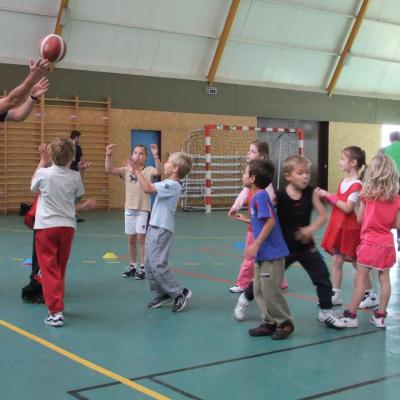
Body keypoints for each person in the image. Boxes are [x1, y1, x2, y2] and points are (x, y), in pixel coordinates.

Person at [328, 155, 400, 329]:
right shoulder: (396, 198)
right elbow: (397, 224)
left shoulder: (366, 195)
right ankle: (381, 316)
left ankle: (351, 315)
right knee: (385, 279)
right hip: (387, 244)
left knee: (360, 280)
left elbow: (360, 219)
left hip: (369, 242)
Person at [31, 139, 93, 327]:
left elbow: (33, 186)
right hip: (67, 227)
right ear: (72, 157)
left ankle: (55, 312)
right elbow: (79, 192)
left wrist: (42, 161)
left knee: (50, 270)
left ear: (51, 154)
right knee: (59, 266)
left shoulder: (44, 173)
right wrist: (81, 172)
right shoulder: (74, 176)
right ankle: (53, 293)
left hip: (46, 227)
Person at [130, 152, 193, 312]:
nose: (164, 164)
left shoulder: (172, 185)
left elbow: (148, 188)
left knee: (158, 264)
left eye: (168, 162)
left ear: (175, 168)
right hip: (154, 226)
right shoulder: (168, 182)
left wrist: (137, 170)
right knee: (149, 265)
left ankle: (180, 292)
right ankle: (163, 293)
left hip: (162, 228)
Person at [316, 146, 377, 309]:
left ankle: (370, 294)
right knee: (337, 260)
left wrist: (328, 195)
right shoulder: (344, 181)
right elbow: (338, 203)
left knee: (358, 263)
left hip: (351, 230)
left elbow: (348, 207)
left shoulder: (357, 184)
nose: (339, 161)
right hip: (338, 227)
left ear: (353, 162)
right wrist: (324, 195)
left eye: (343, 159)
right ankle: (335, 293)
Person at [242, 159, 294, 340]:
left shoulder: (260, 196)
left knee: (271, 291)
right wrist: (245, 220)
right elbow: (261, 221)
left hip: (271, 254)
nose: (243, 175)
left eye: (245, 172)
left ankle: (285, 323)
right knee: (258, 289)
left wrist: (255, 244)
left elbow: (270, 221)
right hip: (262, 254)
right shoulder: (256, 197)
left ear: (252, 178)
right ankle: (269, 322)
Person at [228, 140, 287, 293]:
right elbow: (244, 193)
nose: (248, 153)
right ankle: (280, 281)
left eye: (252, 151)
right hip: (256, 224)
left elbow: (270, 207)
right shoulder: (253, 181)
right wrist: (236, 208)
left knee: (250, 254)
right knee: (267, 255)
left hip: (259, 226)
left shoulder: (261, 187)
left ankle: (242, 283)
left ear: (261, 157)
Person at [105, 143, 162, 279]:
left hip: (143, 210)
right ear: (132, 155)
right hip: (129, 210)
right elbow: (108, 169)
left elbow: (159, 172)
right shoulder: (126, 170)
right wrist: (108, 155)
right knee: (131, 239)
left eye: (141, 153)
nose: (138, 155)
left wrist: (156, 156)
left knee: (141, 239)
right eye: (135, 153)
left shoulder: (148, 170)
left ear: (146, 157)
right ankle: (133, 265)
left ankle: (143, 267)